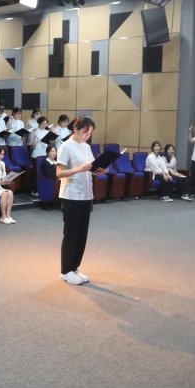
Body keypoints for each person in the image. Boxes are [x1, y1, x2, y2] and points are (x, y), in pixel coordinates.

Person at [56, 116, 106, 285]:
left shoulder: (85, 147)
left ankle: (74, 267)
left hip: (86, 195)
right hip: (71, 195)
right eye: (85, 132)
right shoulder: (65, 146)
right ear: (75, 129)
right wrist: (79, 169)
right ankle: (65, 270)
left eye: (90, 133)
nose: (87, 136)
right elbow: (59, 173)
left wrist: (100, 170)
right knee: (71, 234)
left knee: (81, 234)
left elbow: (91, 169)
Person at [39, 145, 59, 210]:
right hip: (48, 180)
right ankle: (46, 204)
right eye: (52, 151)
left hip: (55, 179)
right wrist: (58, 175)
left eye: (55, 151)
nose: (54, 153)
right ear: (47, 153)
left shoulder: (56, 162)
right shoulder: (45, 162)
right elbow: (47, 174)